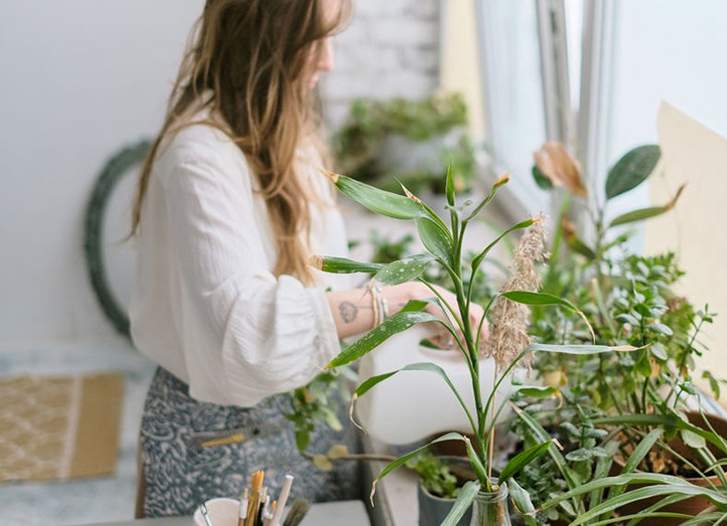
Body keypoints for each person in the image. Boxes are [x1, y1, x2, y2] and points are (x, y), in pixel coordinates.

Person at [129, 0, 486, 518]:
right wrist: (410, 297)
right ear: (262, 45)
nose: (328, 62)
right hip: (219, 437)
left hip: (304, 419)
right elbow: (247, 329)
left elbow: (314, 279)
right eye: (312, 42)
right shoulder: (200, 157)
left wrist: (410, 321)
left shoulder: (283, 132)